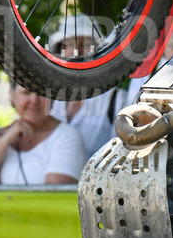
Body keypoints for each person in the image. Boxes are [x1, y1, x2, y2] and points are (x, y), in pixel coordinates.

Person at [0, 83, 86, 189]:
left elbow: (53, 194)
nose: (34, 100)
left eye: (42, 93)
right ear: (12, 95)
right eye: (26, 93)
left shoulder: (67, 136)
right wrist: (4, 141)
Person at [48, 14, 131, 156]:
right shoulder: (48, 98)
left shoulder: (116, 100)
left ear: (99, 51)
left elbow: (123, 154)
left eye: (86, 45)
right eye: (70, 44)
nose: (77, 52)